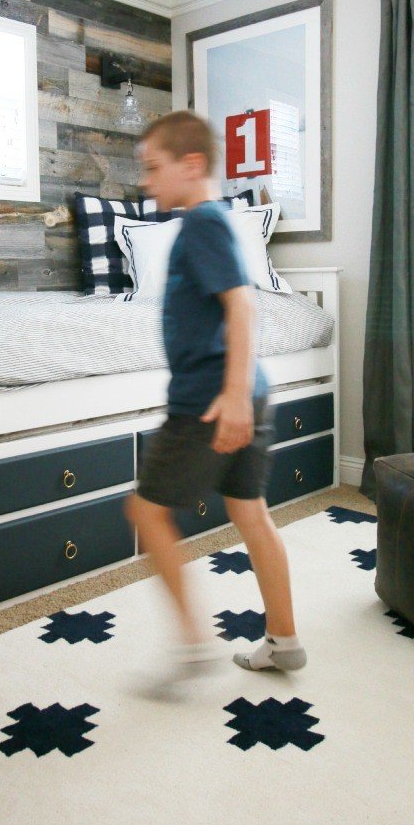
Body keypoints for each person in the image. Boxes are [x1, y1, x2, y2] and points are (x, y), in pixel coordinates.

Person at [124, 110, 306, 688]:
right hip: (243, 392)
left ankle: (194, 644)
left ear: (192, 164)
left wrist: (230, 397)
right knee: (250, 512)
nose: (147, 182)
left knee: (146, 512)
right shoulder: (209, 224)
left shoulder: (204, 223)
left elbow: (242, 304)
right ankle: (284, 641)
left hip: (208, 399)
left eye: (154, 168)